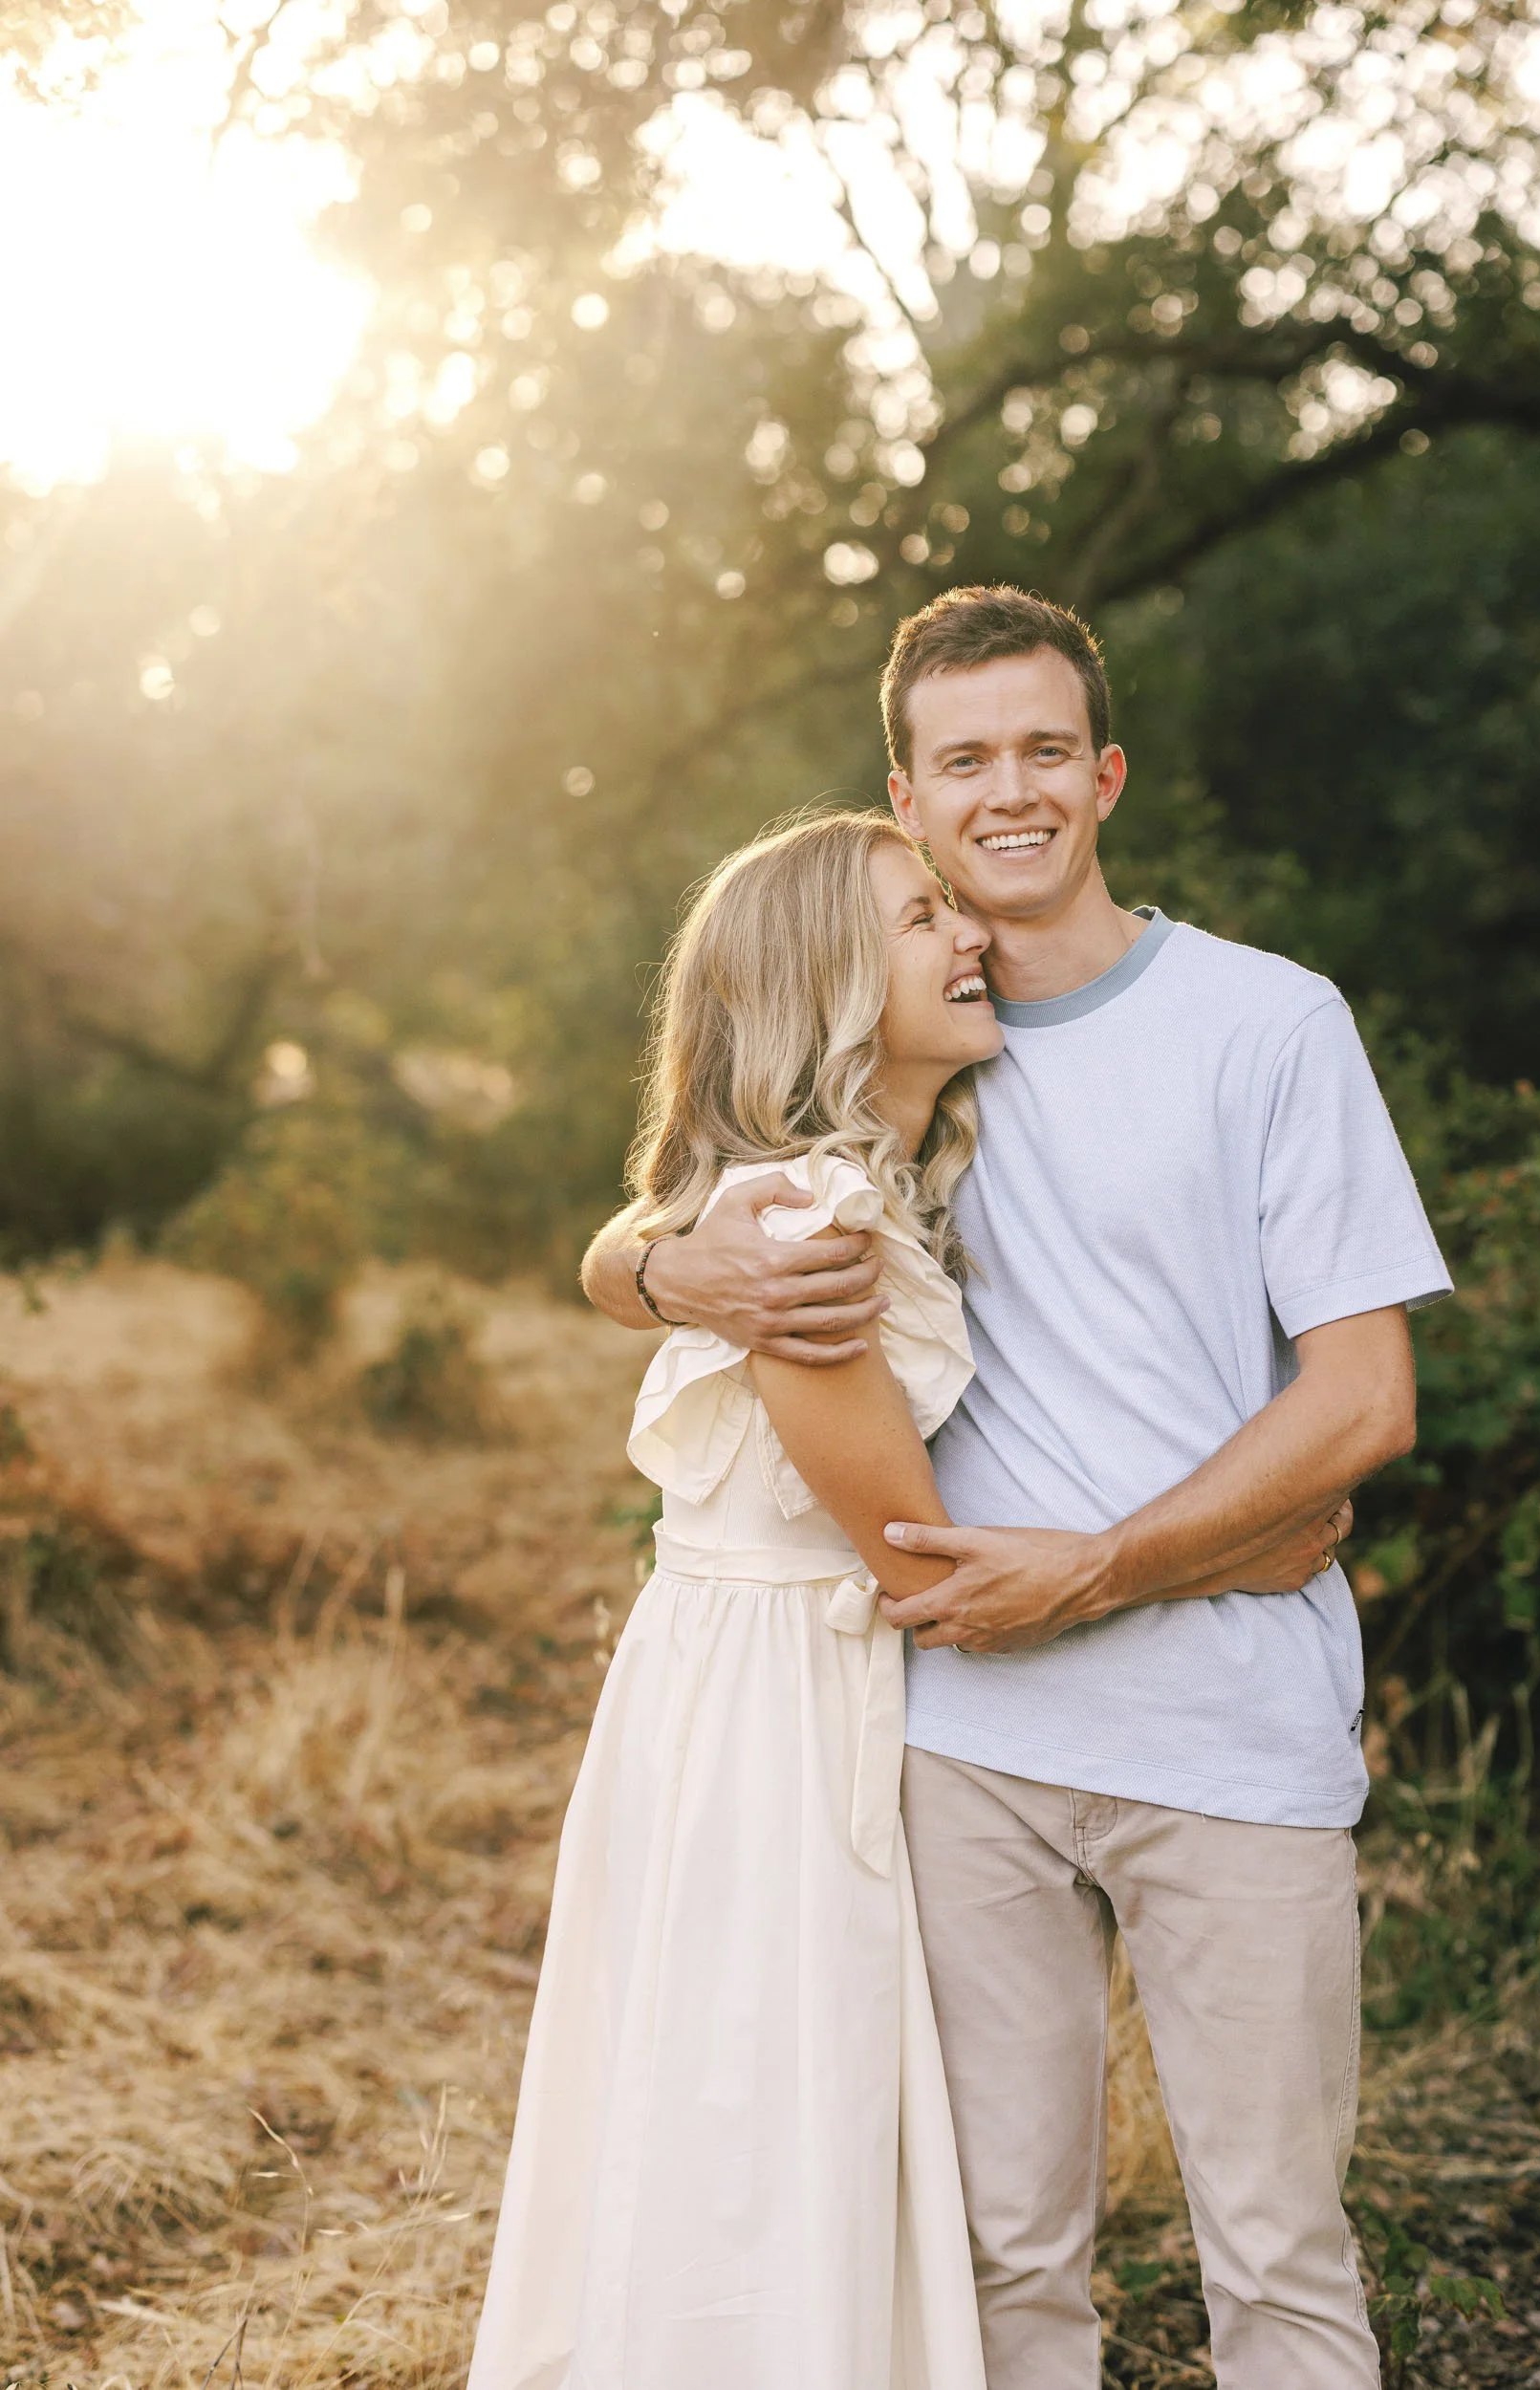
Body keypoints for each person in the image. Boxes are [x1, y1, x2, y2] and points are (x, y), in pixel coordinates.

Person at [582, 586, 1453, 2390]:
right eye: (963, 759)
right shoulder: (902, 1049)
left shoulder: (1266, 1024)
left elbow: (1364, 1400)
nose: (1010, 792)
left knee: (1280, 2256)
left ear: (1106, 772)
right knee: (999, 2262)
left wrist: (1118, 1565)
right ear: (903, 798)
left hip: (1228, 1732)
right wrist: (653, 1272)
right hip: (961, 1748)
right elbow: (697, 1204)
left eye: (1045, 749)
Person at [470, 809, 1007, 2390]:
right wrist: (1219, 1549)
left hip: (734, 1677)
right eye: (922, 920)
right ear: (828, 982)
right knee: (764, 2105)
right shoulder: (808, 1226)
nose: (967, 934)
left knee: (730, 2093)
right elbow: (915, 1548)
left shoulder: (851, 1187)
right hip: (779, 1708)